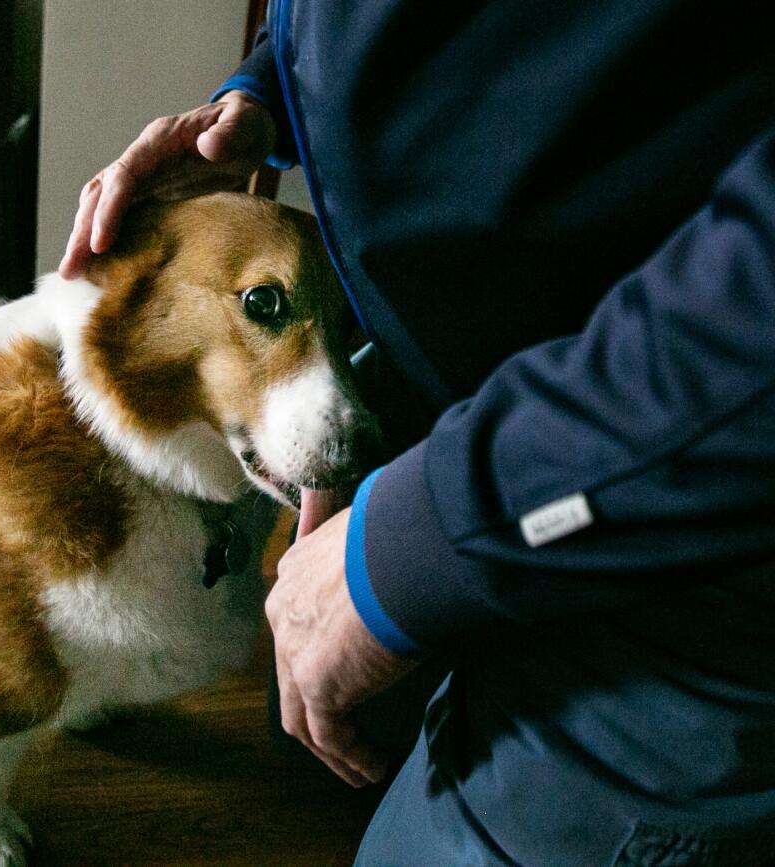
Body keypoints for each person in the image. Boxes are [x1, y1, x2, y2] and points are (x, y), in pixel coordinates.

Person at [60, 2, 775, 864]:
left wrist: (416, 544)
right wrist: (273, 88)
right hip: (467, 394)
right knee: (319, 745)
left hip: (688, 504)